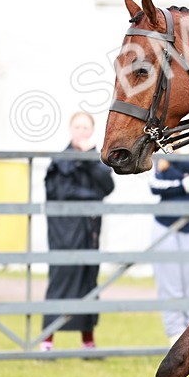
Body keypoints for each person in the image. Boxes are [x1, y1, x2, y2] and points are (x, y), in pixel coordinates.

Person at [40, 112, 115, 351]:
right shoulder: (60, 160)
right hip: (64, 231)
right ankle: (47, 340)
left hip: (89, 230)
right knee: (60, 280)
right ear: (71, 130)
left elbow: (107, 186)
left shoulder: (97, 160)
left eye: (86, 127)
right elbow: (61, 192)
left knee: (87, 282)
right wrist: (91, 196)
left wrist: (90, 160)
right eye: (78, 127)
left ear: (91, 132)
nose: (81, 131)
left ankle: (88, 341)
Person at [150, 138, 189, 344]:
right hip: (165, 227)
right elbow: (156, 186)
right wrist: (186, 183)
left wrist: (173, 161)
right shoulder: (166, 146)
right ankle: (174, 334)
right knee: (169, 285)